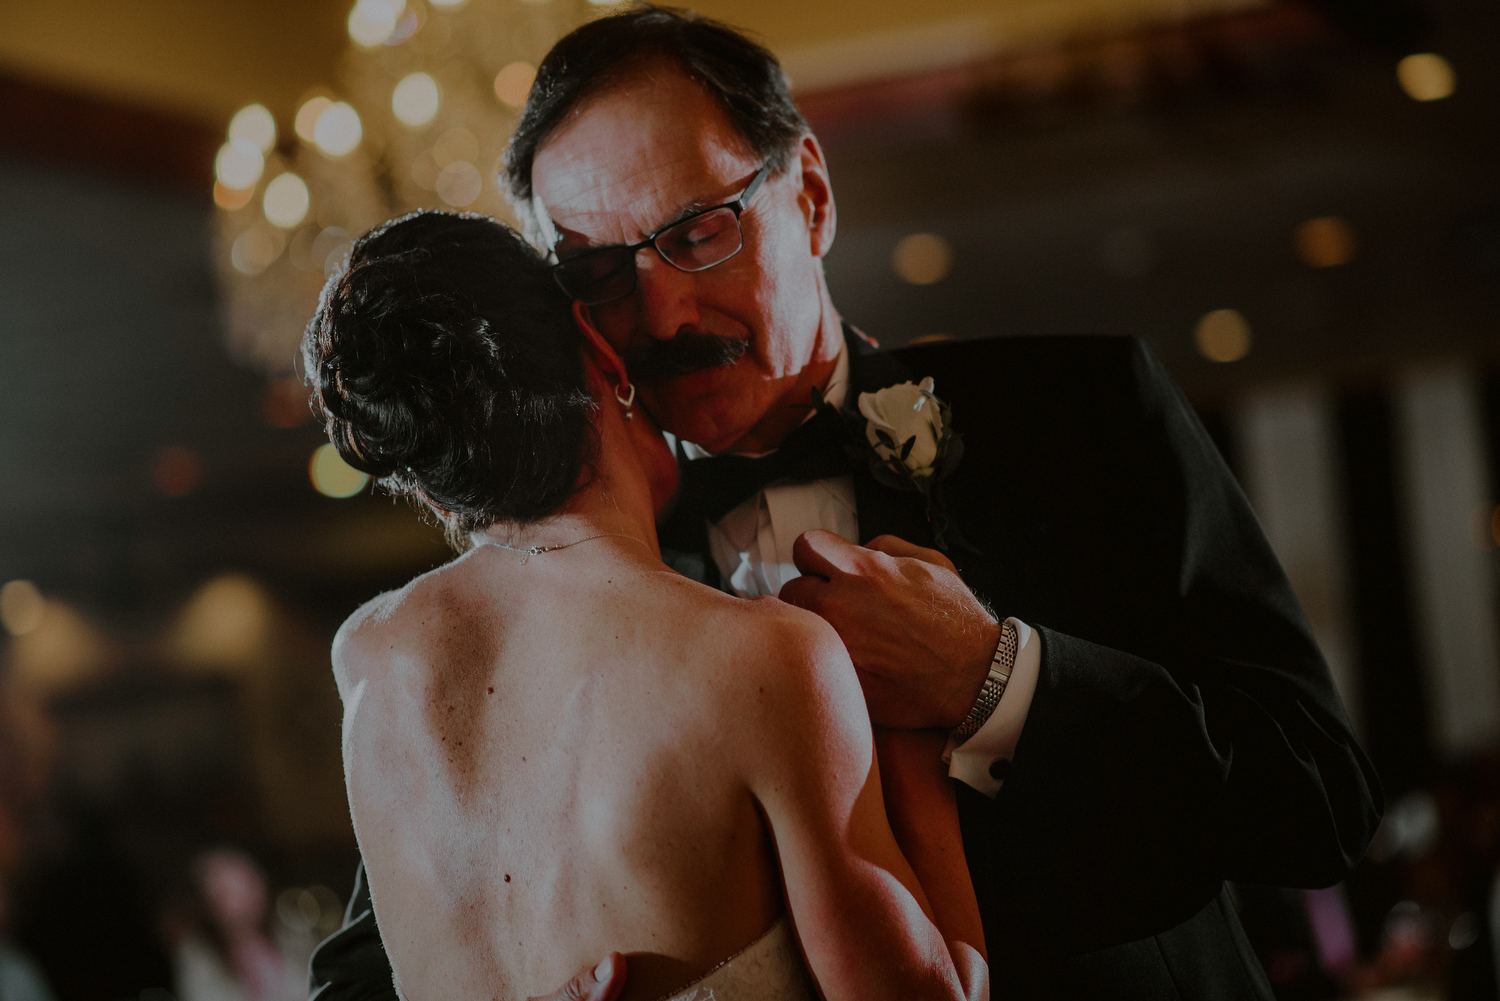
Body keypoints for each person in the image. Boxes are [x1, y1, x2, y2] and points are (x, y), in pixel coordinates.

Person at [310, 7, 1382, 1000]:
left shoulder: (1083, 411)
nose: (662, 309)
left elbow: (1317, 801)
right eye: (596, 271)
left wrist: (995, 677)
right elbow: (382, 954)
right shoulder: (578, 564)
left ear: (811, 195)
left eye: (697, 231)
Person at [302, 209, 990, 1001]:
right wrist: (910, 751)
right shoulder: (765, 660)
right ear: (597, 349)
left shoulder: (368, 663)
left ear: (425, 472)